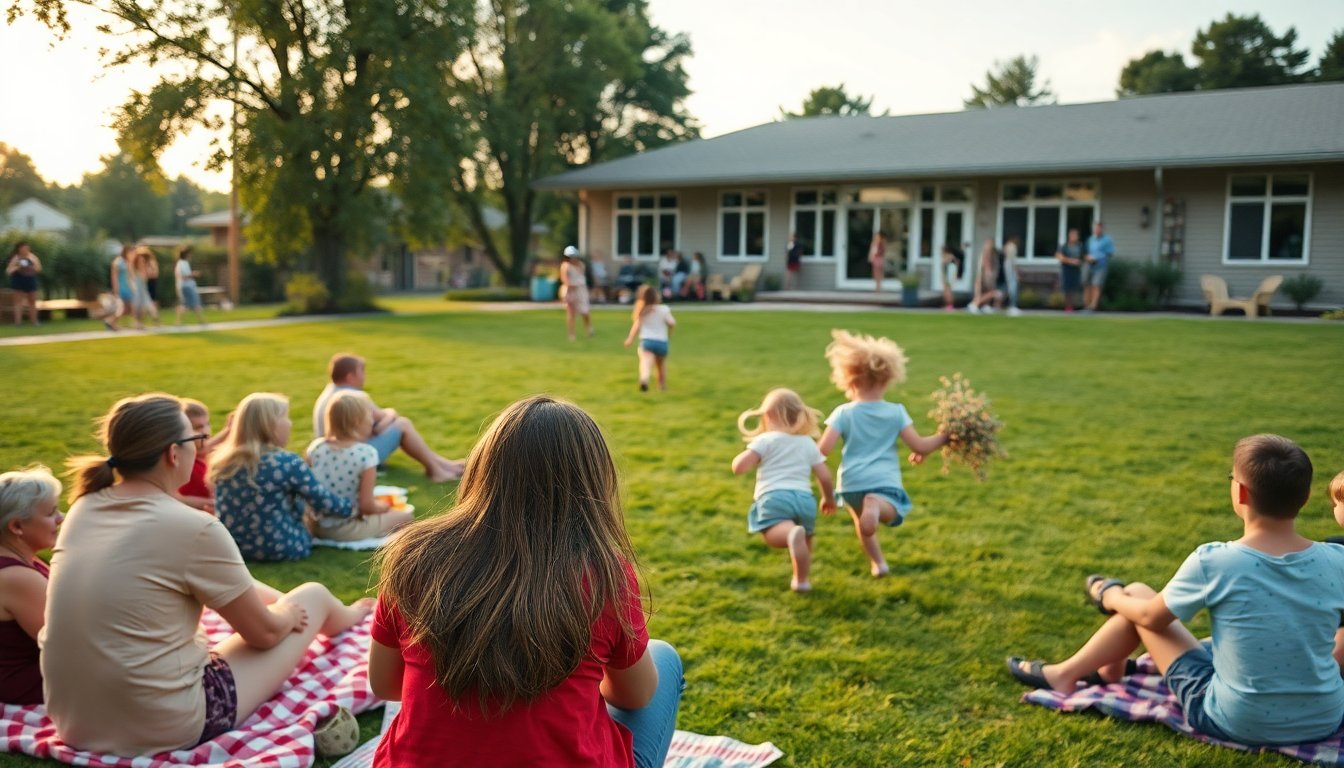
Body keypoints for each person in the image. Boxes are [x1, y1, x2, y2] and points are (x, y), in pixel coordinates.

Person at [45, 393, 373, 756]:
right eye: (196, 440)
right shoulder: (193, 526)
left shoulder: (83, 508)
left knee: (274, 601)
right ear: (174, 452)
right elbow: (264, 634)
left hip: (74, 721)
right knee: (311, 595)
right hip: (161, 725)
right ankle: (350, 616)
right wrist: (288, 613)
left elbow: (235, 585)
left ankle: (336, 613)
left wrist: (277, 604)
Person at [368, 395, 683, 768]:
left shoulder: (412, 555)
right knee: (662, 656)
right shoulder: (603, 576)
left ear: (483, 469)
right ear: (593, 483)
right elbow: (636, 695)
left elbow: (385, 685)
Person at [1007, 435, 1344, 748]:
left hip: (1238, 720)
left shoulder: (1216, 561)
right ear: (1306, 496)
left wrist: (1109, 596)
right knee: (1139, 600)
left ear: (1240, 493)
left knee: (1137, 596)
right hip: (1324, 718)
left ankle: (1066, 674)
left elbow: (1150, 618)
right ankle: (1101, 670)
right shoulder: (1337, 560)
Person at [818, 330, 948, 577]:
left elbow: (822, 451)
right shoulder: (895, 412)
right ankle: (876, 506)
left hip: (850, 483)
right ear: (888, 378)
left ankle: (878, 564)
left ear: (848, 379)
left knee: (863, 525)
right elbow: (919, 446)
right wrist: (945, 436)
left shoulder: (842, 413)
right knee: (892, 512)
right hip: (882, 481)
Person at [212, 393, 355, 561]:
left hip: (233, 549)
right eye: (285, 417)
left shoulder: (223, 462)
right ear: (269, 425)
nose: (290, 423)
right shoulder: (287, 463)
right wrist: (352, 508)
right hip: (283, 547)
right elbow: (324, 503)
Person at [731, 389, 835, 593]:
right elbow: (824, 475)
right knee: (805, 540)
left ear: (768, 416)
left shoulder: (765, 440)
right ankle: (802, 580)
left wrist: (738, 462)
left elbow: (740, 467)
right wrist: (828, 498)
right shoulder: (807, 443)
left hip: (774, 497)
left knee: (773, 534)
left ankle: (789, 533)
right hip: (805, 500)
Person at [313, 354, 464, 483]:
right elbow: (378, 419)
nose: (364, 376)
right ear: (350, 376)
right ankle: (437, 470)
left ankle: (445, 465)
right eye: (362, 372)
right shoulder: (352, 398)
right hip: (354, 457)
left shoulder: (328, 393)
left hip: (333, 454)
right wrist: (391, 413)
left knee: (399, 423)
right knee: (403, 424)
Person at [306, 389, 414, 542]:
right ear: (358, 422)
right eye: (369, 416)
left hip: (315, 525)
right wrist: (383, 507)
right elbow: (367, 507)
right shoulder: (366, 454)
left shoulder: (315, 447)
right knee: (406, 516)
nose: (372, 421)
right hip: (346, 528)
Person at [0, 466, 62, 704]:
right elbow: (66, 643)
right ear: (16, 527)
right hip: (25, 685)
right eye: (51, 513)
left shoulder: (23, 560)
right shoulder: (16, 577)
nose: (61, 518)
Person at [622, 285, 675, 393]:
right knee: (660, 365)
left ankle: (644, 379)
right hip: (662, 342)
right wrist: (669, 332)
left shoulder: (642, 311)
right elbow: (672, 323)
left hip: (647, 342)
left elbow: (636, 326)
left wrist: (630, 339)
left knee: (645, 363)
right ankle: (662, 385)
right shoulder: (664, 309)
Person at [177, 398, 220, 513]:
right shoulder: (184, 463)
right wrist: (216, 503)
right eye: (198, 427)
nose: (206, 431)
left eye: (208, 424)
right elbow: (175, 498)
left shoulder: (209, 454)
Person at [559, 245, 593, 342]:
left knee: (585, 311)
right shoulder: (565, 266)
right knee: (571, 313)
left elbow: (581, 277)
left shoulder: (581, 265)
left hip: (581, 290)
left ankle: (589, 329)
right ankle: (571, 334)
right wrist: (570, 287)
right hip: (570, 291)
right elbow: (565, 279)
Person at [5, 242, 42, 326]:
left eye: (27, 248)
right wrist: (18, 266)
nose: (25, 250)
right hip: (18, 280)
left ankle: (35, 321)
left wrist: (31, 266)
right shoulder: (16, 258)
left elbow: (39, 268)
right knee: (18, 302)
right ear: (19, 249)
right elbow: (8, 271)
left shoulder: (32, 257)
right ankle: (18, 322)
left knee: (32, 301)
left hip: (30, 280)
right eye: (24, 248)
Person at [1084, 221, 1116, 313]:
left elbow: (1110, 253)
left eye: (1098, 228)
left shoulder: (1107, 239)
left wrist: (1099, 258)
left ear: (1102, 229)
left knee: (1096, 285)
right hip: (1089, 264)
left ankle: (1093, 307)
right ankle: (1086, 306)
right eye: (1095, 228)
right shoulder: (1090, 239)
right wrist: (1088, 257)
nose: (1096, 230)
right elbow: (1086, 252)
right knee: (1087, 285)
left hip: (1100, 265)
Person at [108, 244, 139, 331]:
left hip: (128, 288)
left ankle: (112, 322)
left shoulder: (128, 262)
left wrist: (133, 287)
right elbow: (114, 277)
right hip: (120, 288)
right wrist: (115, 289)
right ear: (126, 252)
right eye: (132, 252)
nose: (133, 254)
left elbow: (130, 277)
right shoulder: (117, 262)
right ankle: (111, 322)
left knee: (131, 307)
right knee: (122, 309)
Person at [175, 245, 207, 326]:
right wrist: (194, 274)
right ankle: (201, 321)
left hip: (185, 286)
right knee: (195, 303)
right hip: (188, 286)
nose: (190, 256)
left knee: (185, 305)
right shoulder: (183, 263)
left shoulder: (180, 263)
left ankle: (179, 322)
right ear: (186, 255)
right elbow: (184, 276)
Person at [1055, 228, 1085, 313]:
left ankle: (1076, 306)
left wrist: (1079, 261)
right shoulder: (1064, 246)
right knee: (1067, 288)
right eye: (1072, 235)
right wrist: (1071, 261)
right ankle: (1068, 307)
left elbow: (1083, 257)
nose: (1074, 237)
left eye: (1075, 235)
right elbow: (1059, 256)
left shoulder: (1080, 246)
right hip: (1067, 270)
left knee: (1075, 288)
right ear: (1069, 236)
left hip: (1076, 270)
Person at [967, 240, 1001, 314]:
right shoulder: (985, 254)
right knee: (988, 293)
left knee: (988, 291)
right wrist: (988, 273)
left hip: (987, 277)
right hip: (983, 277)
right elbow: (985, 266)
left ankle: (985, 306)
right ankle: (973, 305)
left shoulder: (992, 254)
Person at [132, 246, 161, 327]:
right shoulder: (140, 263)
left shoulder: (148, 263)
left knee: (147, 305)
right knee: (142, 305)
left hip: (144, 287)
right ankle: (139, 323)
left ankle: (140, 323)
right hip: (141, 288)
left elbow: (153, 275)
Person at [998, 236, 1022, 317]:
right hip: (1010, 268)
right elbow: (1013, 261)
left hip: (1007, 267)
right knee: (1013, 287)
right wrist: (1017, 273)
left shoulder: (1007, 247)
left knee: (1009, 287)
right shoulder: (1012, 247)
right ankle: (1012, 306)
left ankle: (1008, 305)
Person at [939, 243, 965, 311]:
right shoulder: (945, 257)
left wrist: (956, 274)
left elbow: (957, 263)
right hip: (946, 275)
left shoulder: (950, 256)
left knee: (949, 292)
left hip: (949, 275)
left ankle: (950, 305)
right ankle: (946, 305)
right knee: (946, 291)